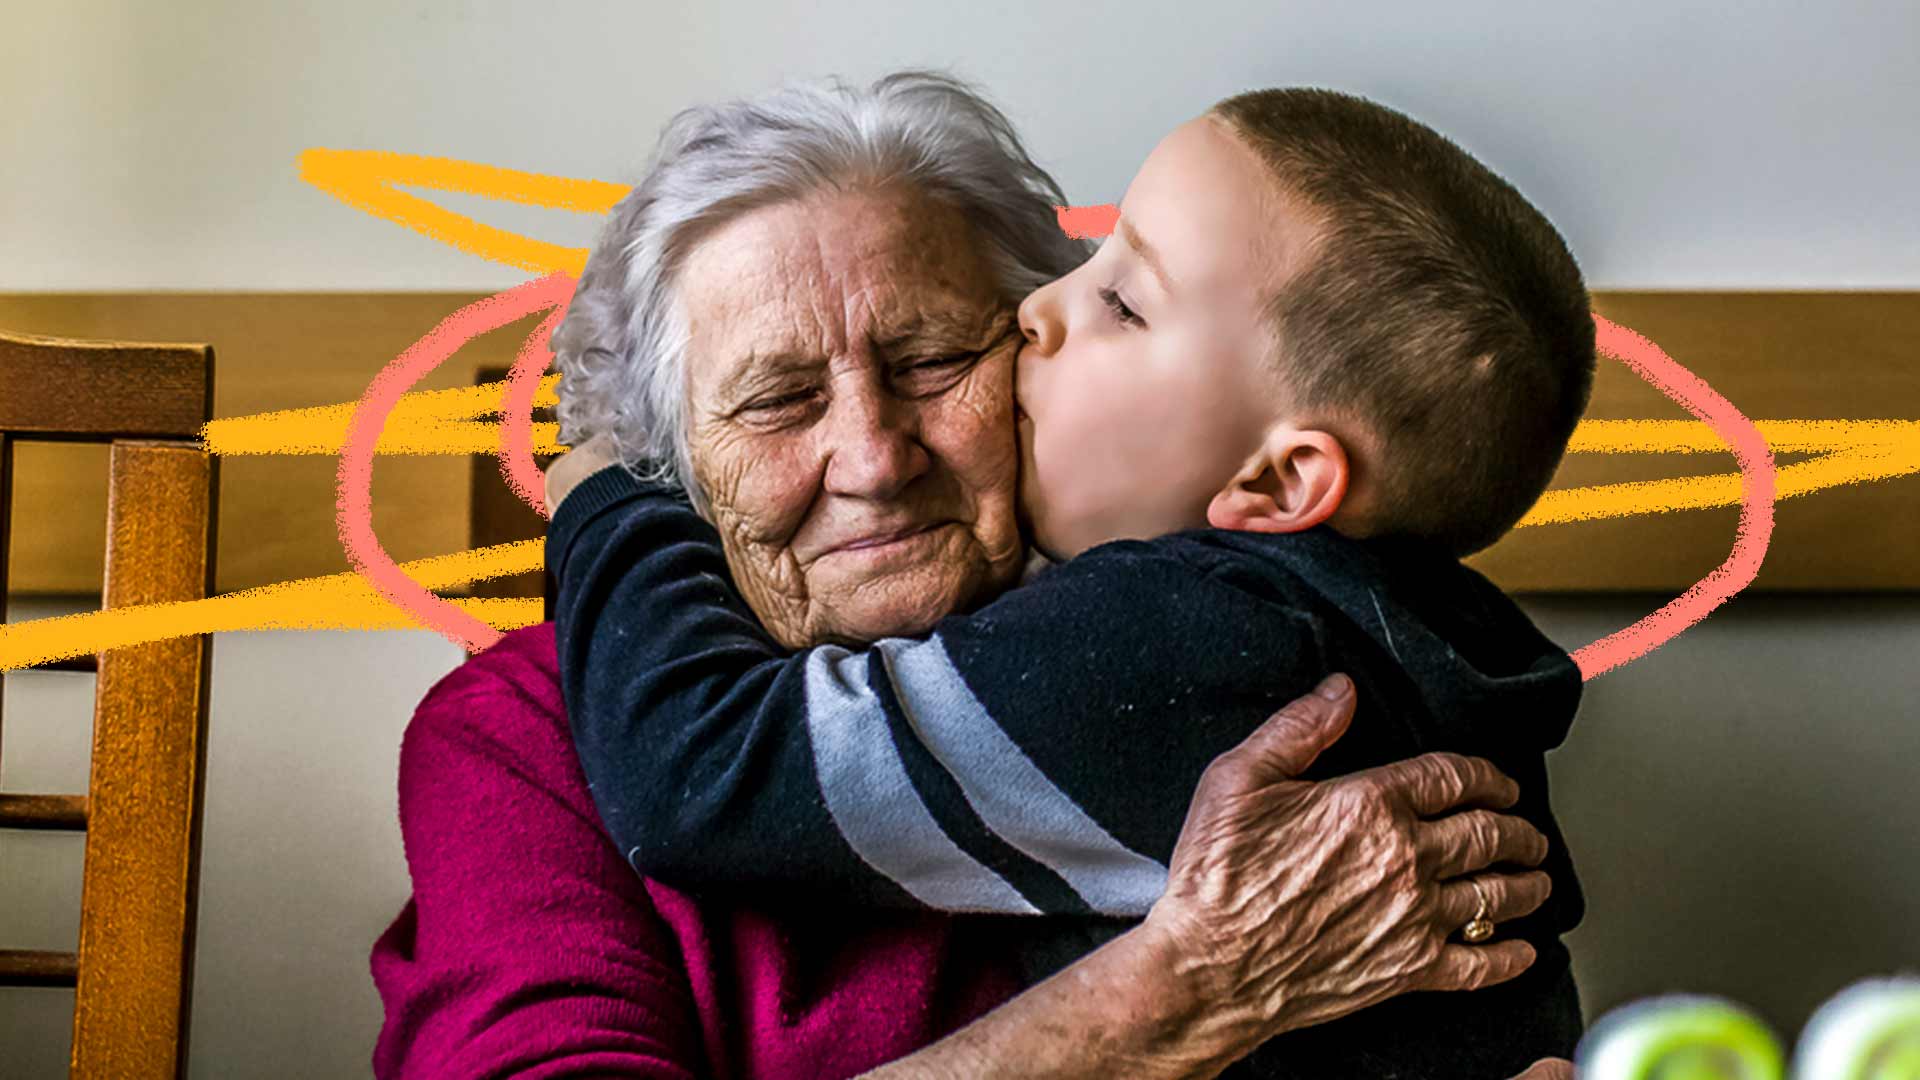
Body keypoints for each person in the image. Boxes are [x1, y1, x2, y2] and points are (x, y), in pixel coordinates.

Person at [374, 70, 1569, 1078]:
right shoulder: (525, 742)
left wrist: (602, 500)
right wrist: (1181, 991)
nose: (874, 458)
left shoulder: (1165, 643)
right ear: (675, 460)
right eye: (778, 400)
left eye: (935, 359)